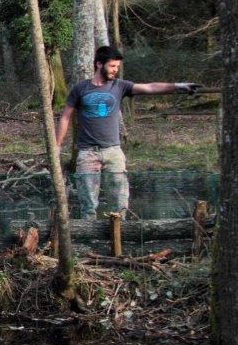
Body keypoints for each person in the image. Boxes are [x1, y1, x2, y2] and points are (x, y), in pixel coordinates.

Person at [55, 46, 200, 219]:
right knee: (88, 206)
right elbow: (65, 118)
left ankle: (119, 236)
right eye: (112, 66)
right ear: (99, 64)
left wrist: (178, 86)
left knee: (120, 204)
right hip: (87, 153)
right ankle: (89, 242)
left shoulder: (119, 86)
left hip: (113, 152)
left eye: (117, 67)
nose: (115, 70)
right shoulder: (80, 89)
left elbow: (150, 88)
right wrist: (57, 146)